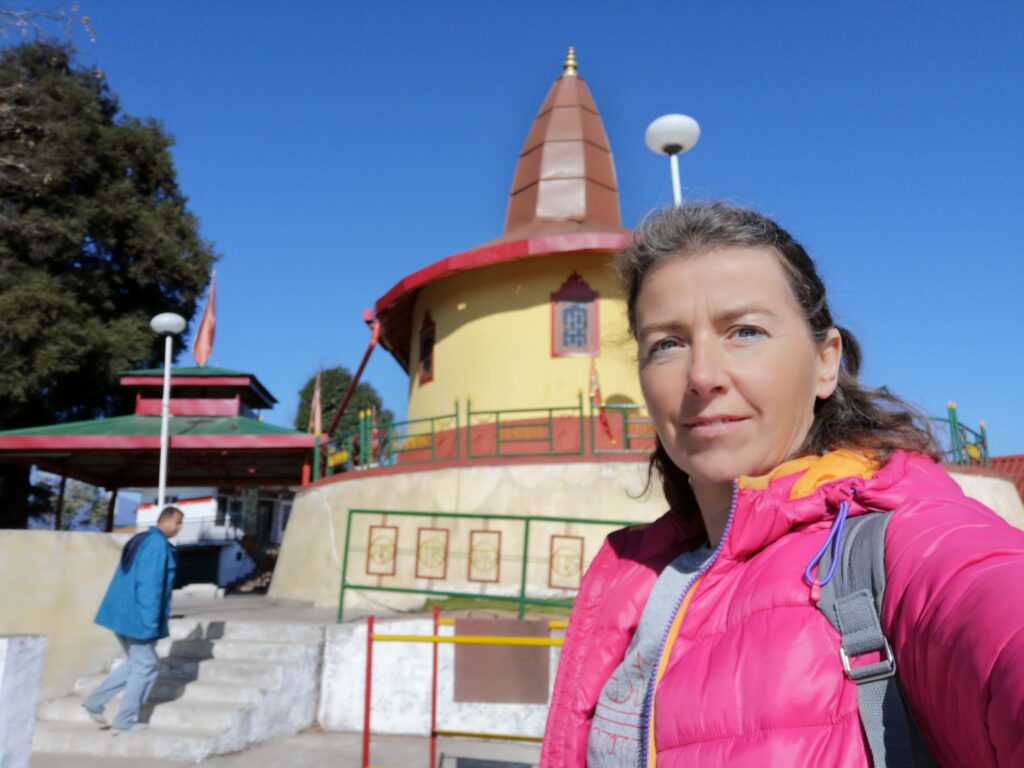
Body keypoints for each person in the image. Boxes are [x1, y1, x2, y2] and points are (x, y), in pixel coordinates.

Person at [541, 203, 1024, 767]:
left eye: (745, 331)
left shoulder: (898, 545)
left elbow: (991, 610)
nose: (702, 377)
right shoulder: (635, 577)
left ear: (825, 362)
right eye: (666, 344)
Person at [82, 505, 182, 734]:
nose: (179, 528)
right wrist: (149, 624)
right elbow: (150, 586)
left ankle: (95, 702)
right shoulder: (157, 545)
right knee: (146, 666)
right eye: (178, 523)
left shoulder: (142, 539)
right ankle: (123, 722)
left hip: (121, 614)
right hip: (137, 618)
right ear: (166, 521)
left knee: (138, 663)